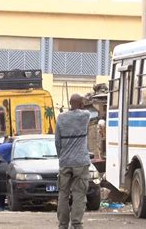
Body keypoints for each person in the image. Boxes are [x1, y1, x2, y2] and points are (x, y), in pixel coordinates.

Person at [55, 94, 91, 229]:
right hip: (81, 162)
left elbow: (57, 141)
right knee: (79, 195)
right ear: (81, 104)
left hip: (65, 162)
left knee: (63, 194)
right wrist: (82, 104)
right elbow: (86, 108)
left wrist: (62, 157)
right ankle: (76, 224)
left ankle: (63, 225)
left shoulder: (61, 118)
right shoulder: (85, 115)